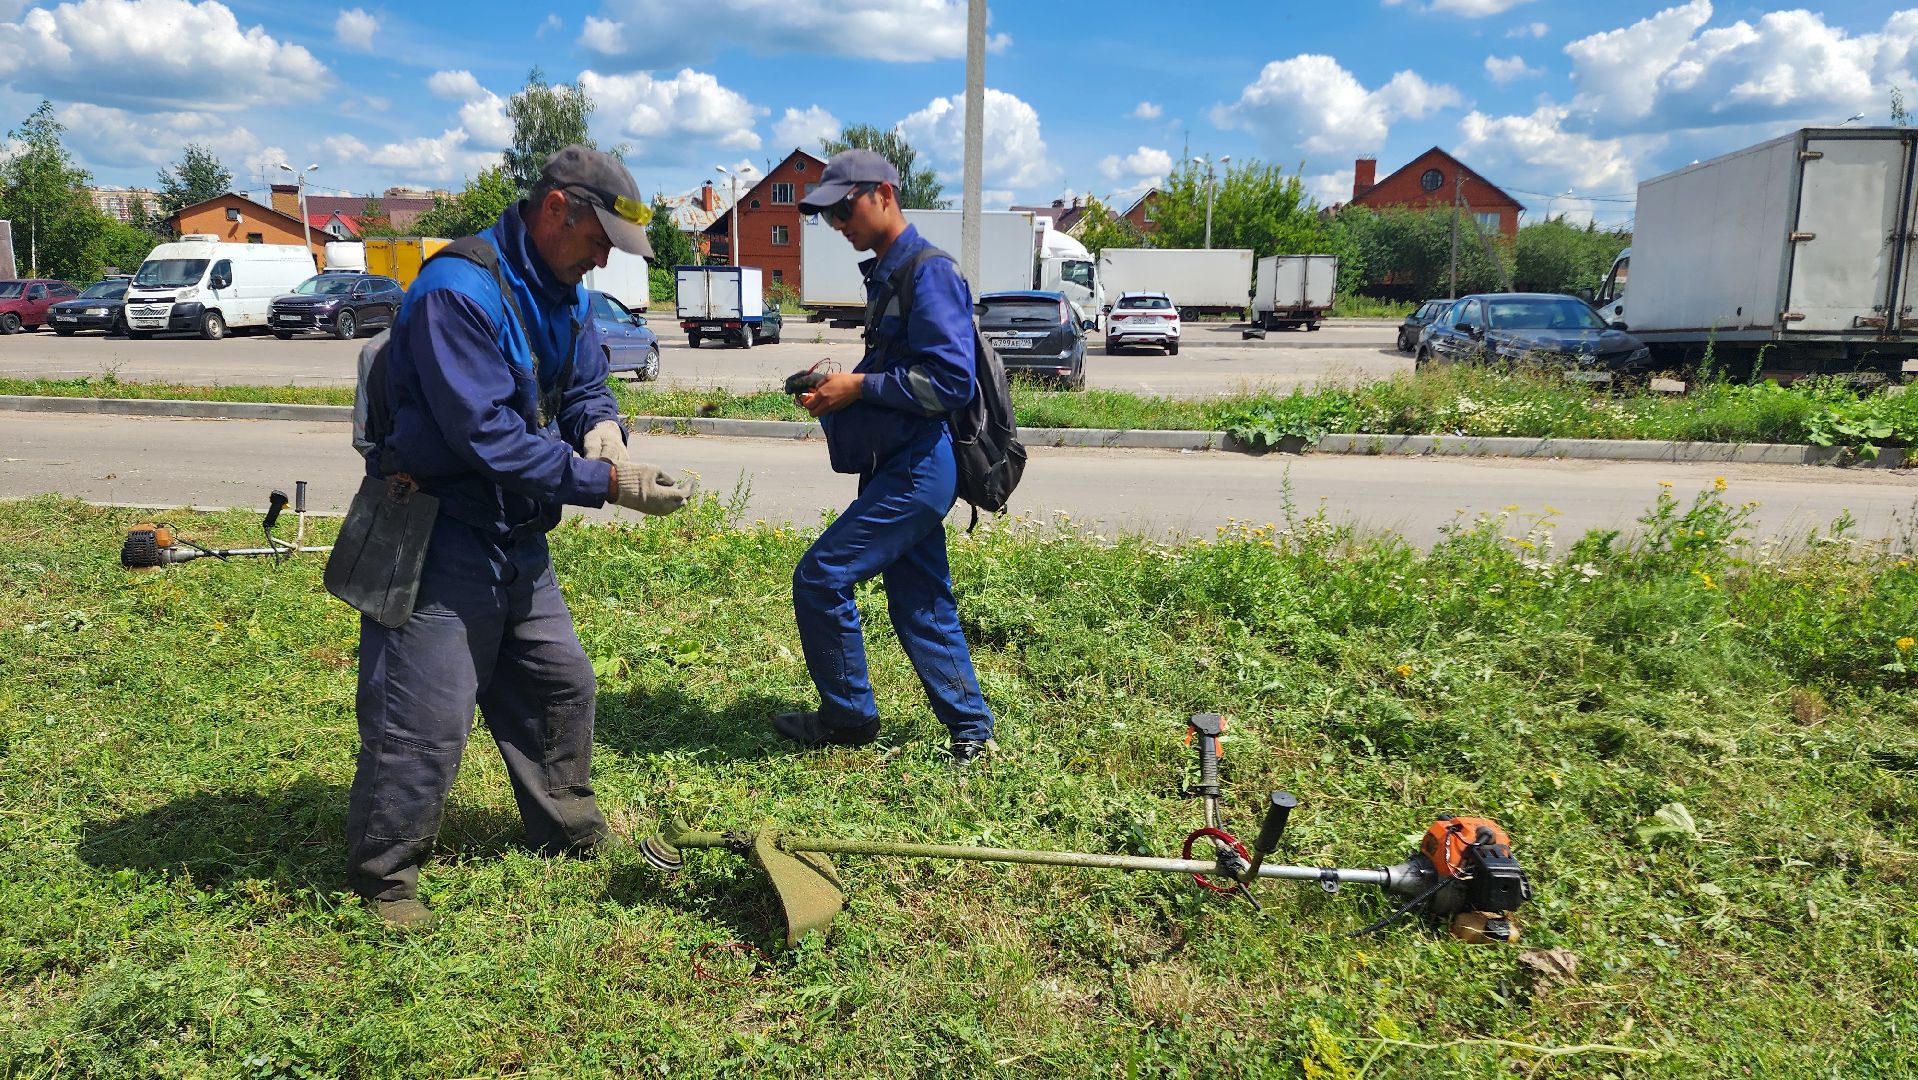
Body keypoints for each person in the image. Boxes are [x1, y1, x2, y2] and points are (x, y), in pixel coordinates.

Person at [346, 145, 692, 928]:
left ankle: (566, 829)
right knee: (423, 720)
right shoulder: (455, 292)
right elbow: (489, 439)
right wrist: (609, 484)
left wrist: (604, 433)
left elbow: (586, 381)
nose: (604, 258)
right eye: (599, 238)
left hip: (515, 534)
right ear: (556, 209)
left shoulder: (562, 289)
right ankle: (384, 875)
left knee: (558, 683)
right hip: (438, 527)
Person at [777, 149, 996, 768]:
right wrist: (838, 382)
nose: (838, 223)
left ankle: (849, 717)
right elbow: (904, 365)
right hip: (898, 465)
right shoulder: (891, 271)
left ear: (883, 194)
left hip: (919, 469)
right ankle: (972, 730)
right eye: (829, 215)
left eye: (844, 208)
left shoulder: (928, 272)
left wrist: (859, 388)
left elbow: (950, 383)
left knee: (821, 577)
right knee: (921, 598)